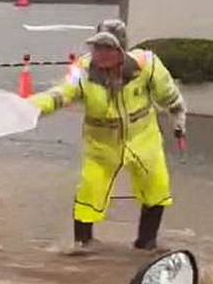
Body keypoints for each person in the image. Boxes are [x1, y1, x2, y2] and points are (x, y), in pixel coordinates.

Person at [28, 19, 187, 253]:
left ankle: (146, 244)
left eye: (107, 47)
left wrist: (178, 118)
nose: (100, 53)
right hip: (101, 145)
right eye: (97, 47)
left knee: (157, 187)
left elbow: (169, 95)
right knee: (89, 190)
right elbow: (61, 94)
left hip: (143, 137)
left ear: (121, 49)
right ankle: (82, 245)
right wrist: (30, 106)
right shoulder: (81, 71)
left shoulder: (147, 65)